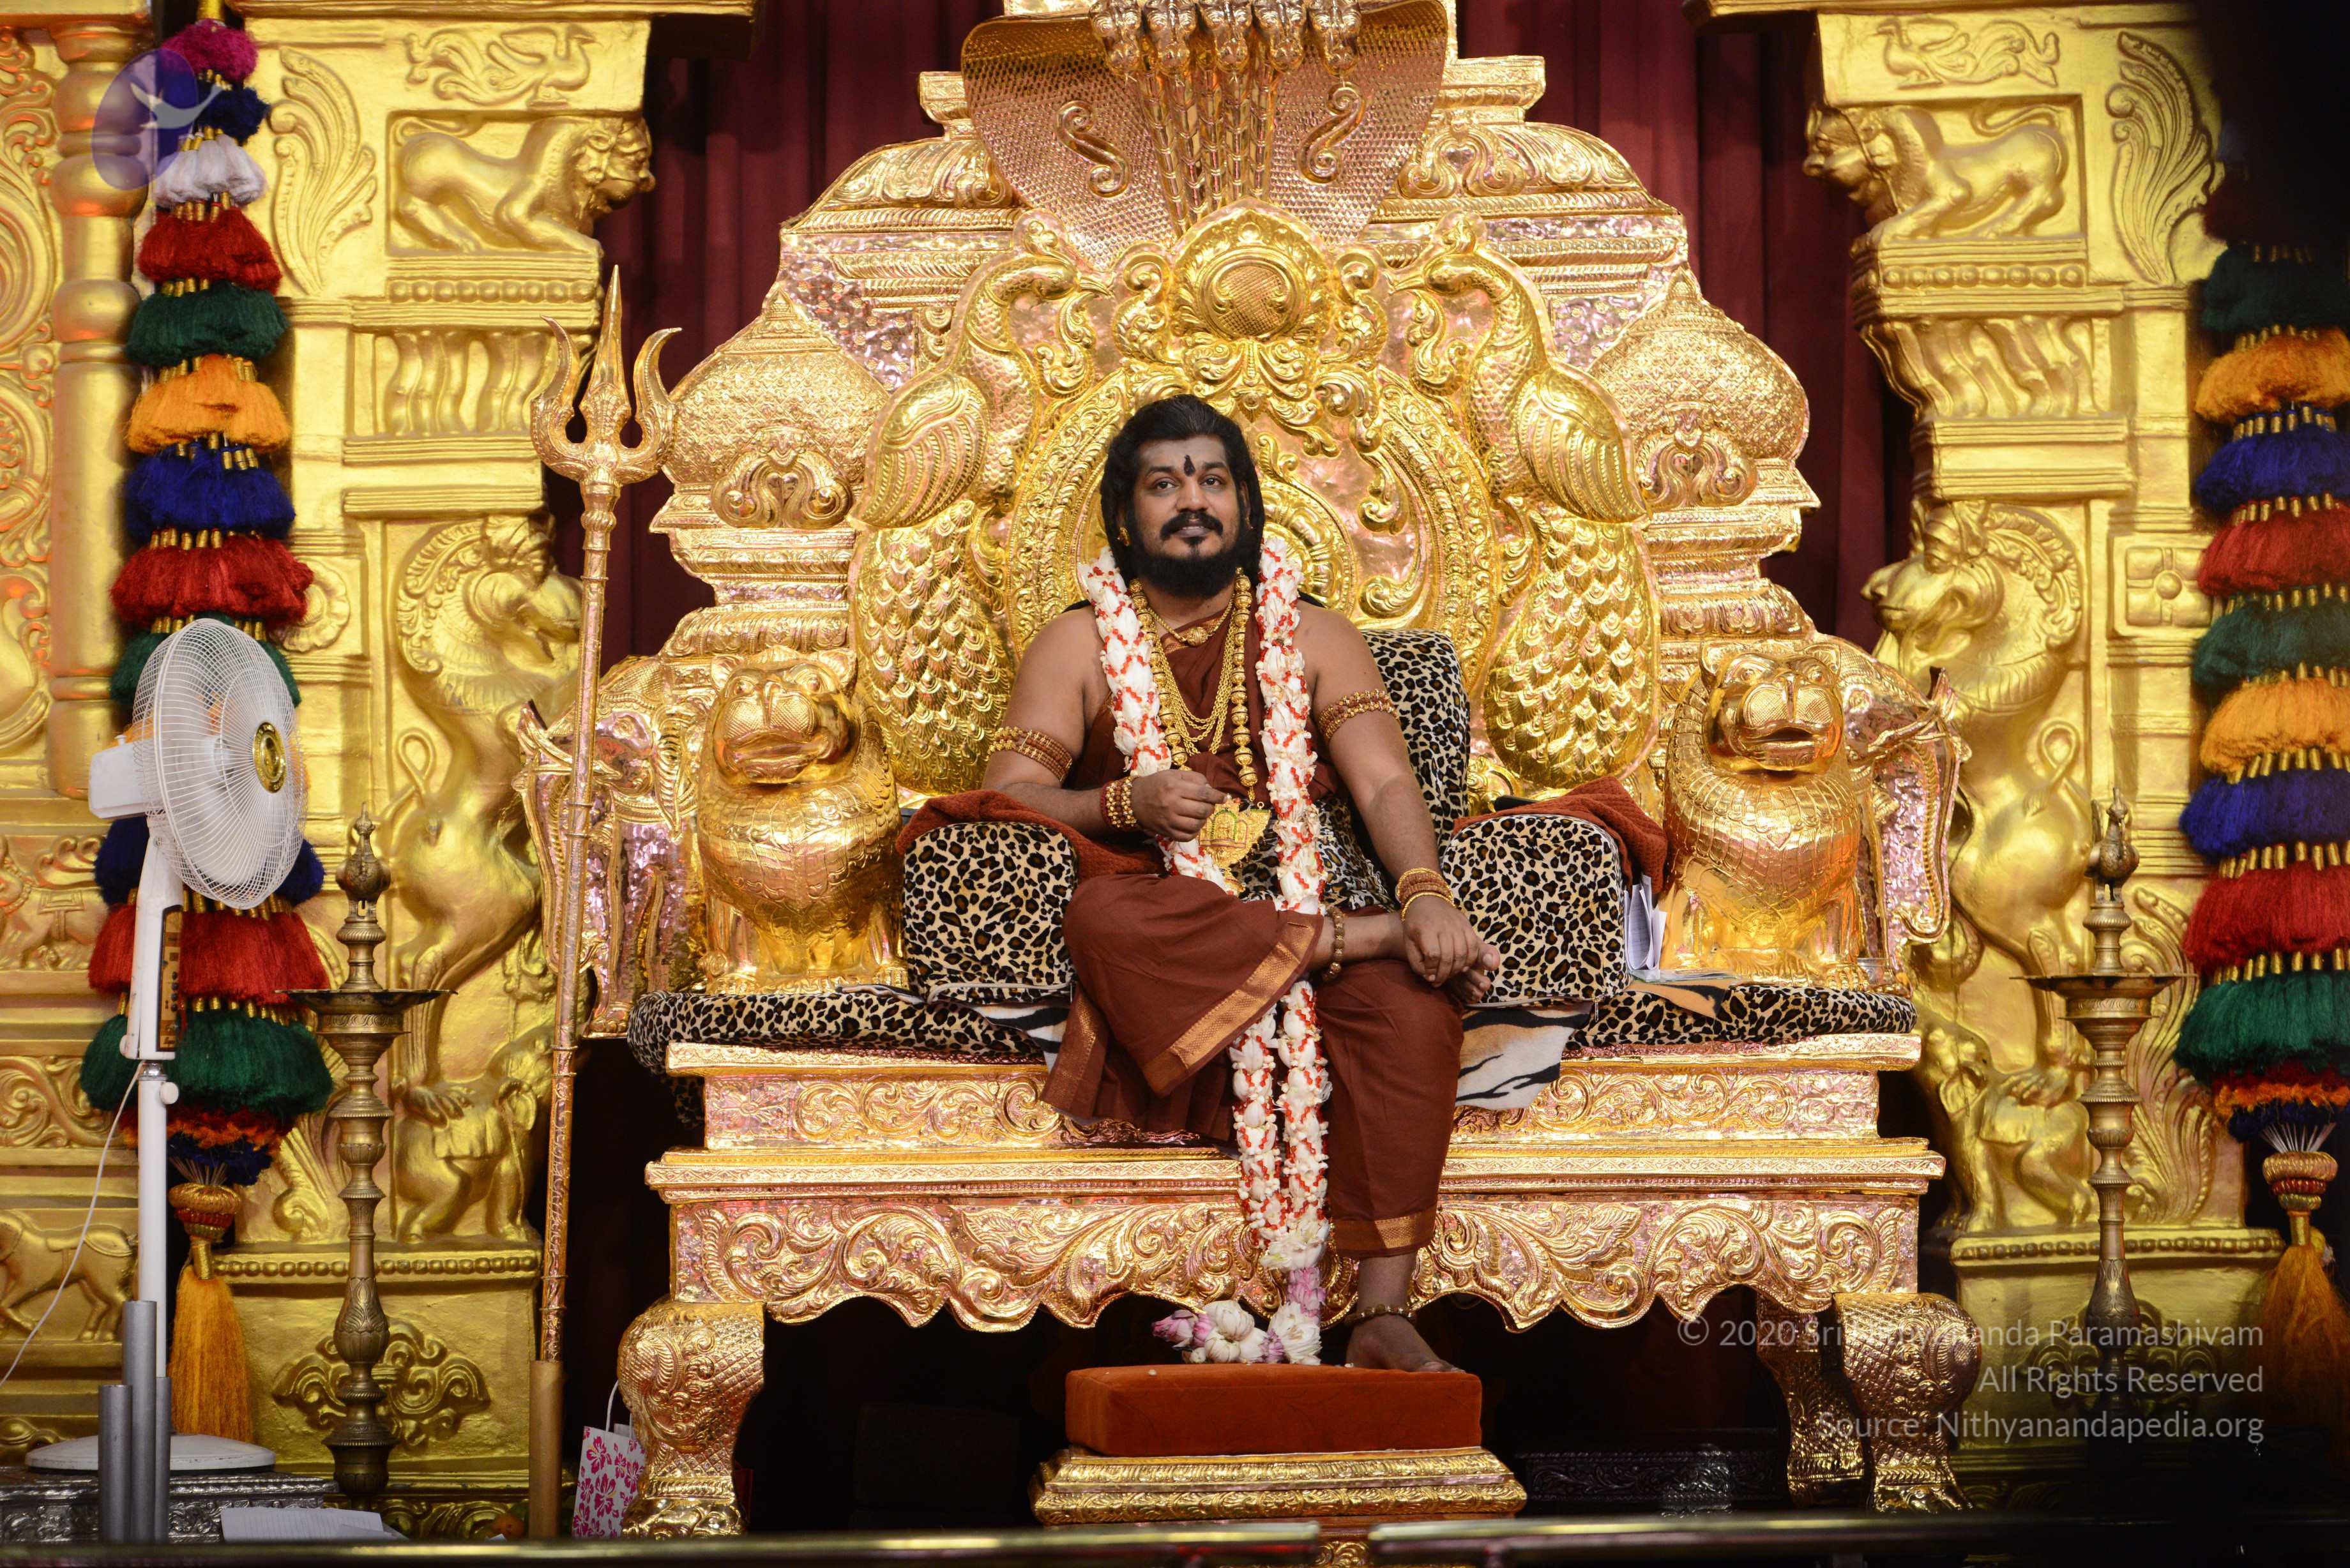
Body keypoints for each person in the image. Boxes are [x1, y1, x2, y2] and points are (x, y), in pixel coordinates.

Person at [979, 395, 1500, 1373]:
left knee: (1413, 1006)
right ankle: (1356, 940)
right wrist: (1124, 803)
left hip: (1306, 892)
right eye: (1164, 483)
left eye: (1214, 481)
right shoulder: (1079, 644)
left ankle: (1383, 1313)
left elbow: (1385, 781)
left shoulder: (1313, 635)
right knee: (1101, 914)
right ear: (1125, 514)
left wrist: (1425, 893)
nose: (1193, 501)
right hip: (1172, 911)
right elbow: (1006, 796)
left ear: (1246, 505)